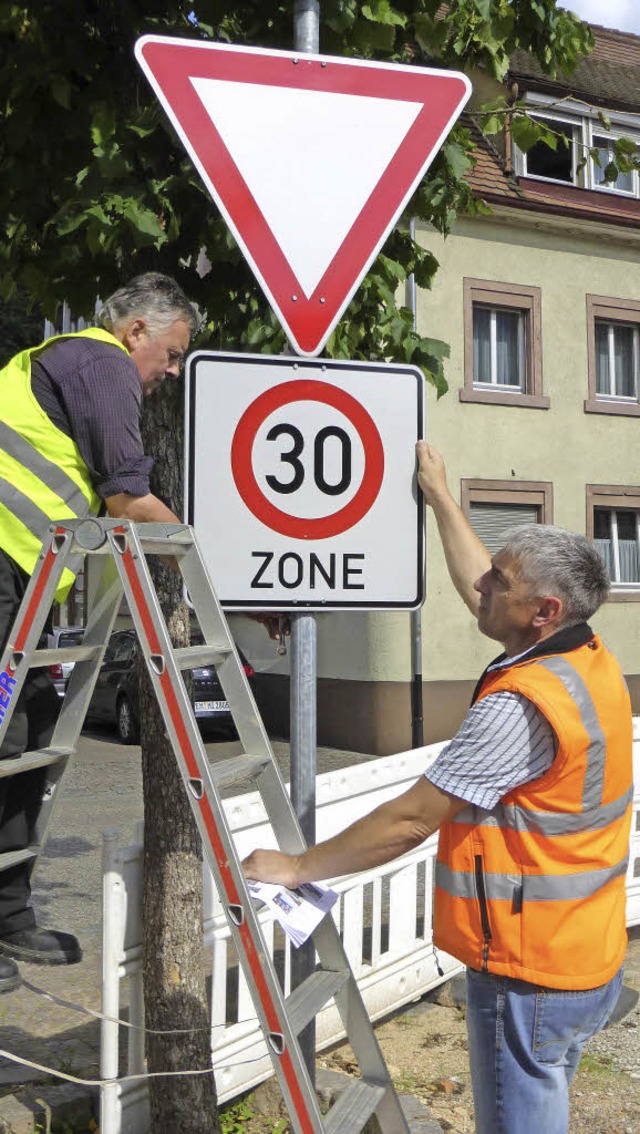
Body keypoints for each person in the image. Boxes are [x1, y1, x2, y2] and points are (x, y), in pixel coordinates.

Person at [243, 441, 634, 1134]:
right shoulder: (586, 659)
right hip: (583, 955)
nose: (482, 584)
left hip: (527, 972)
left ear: (541, 610)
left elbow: (412, 819)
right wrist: (439, 496)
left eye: (499, 581)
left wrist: (299, 866)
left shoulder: (523, 704)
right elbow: (478, 581)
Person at [0, 272, 199, 994]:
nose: (169, 372)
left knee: (31, 732)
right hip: (3, 566)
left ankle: (9, 910)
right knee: (7, 737)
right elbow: (127, 495)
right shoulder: (103, 363)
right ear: (137, 330)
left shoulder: (68, 365)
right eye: (171, 353)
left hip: (24, 580)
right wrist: (208, 551)